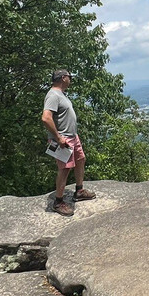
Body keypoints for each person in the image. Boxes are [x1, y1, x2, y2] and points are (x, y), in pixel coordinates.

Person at [42, 69, 95, 216]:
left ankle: (79, 191)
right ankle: (58, 202)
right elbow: (46, 118)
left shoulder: (61, 94)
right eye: (69, 77)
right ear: (63, 78)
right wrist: (58, 138)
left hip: (72, 136)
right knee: (65, 169)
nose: (71, 80)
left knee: (81, 159)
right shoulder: (53, 95)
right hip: (63, 139)